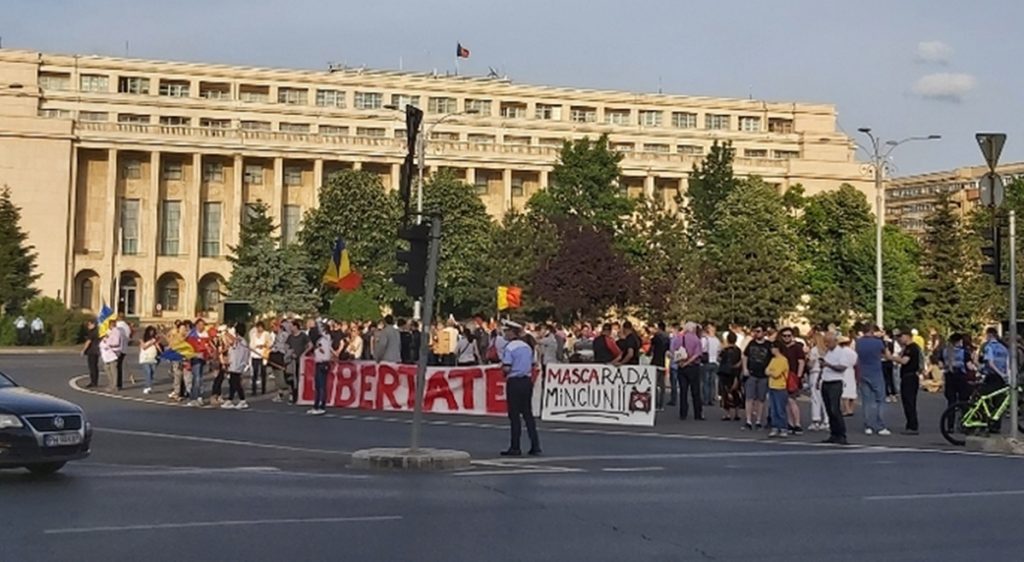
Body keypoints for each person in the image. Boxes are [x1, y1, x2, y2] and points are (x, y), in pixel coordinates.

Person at [499, 321, 540, 457]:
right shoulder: (527, 347)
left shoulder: (509, 348)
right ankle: (535, 445)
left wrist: (503, 372)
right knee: (528, 414)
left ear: (512, 333)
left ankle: (515, 447)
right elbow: (533, 363)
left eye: (507, 331)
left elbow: (507, 367)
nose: (505, 333)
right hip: (527, 381)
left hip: (515, 381)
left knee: (514, 416)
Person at [819, 333, 856, 445]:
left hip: (835, 382)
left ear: (835, 341)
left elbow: (842, 367)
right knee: (829, 409)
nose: (826, 344)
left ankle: (841, 434)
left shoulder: (841, 352)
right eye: (825, 342)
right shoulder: (828, 352)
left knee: (835, 409)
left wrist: (828, 365)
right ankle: (833, 433)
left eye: (828, 342)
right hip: (826, 381)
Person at [855, 324, 890, 436]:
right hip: (876, 372)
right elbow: (887, 355)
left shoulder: (859, 342)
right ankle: (880, 426)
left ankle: (867, 426)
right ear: (872, 331)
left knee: (866, 401)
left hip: (863, 372)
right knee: (880, 400)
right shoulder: (878, 342)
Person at [742, 326, 773, 430]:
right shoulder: (751, 343)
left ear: (764, 333)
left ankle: (759, 420)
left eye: (759, 331)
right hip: (752, 373)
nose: (757, 333)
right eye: (755, 331)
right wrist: (745, 368)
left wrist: (769, 369)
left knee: (761, 398)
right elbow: (745, 356)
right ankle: (748, 420)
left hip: (764, 375)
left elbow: (773, 358)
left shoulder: (768, 345)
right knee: (749, 397)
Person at [893, 330, 922, 434]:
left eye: (901, 336)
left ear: (907, 336)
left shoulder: (912, 347)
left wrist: (890, 357)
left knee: (910, 402)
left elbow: (904, 361)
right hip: (906, 376)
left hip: (910, 376)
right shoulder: (906, 348)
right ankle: (910, 424)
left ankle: (913, 426)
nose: (899, 339)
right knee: (906, 401)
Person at [778, 326, 806, 434]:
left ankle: (797, 423)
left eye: (789, 335)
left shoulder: (797, 348)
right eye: (784, 336)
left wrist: (799, 377)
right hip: (782, 376)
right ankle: (790, 423)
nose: (786, 338)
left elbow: (801, 362)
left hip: (793, 376)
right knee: (785, 401)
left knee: (792, 400)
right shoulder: (781, 348)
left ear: (792, 336)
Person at [221, 323, 251, 410]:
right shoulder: (242, 341)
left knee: (236, 383)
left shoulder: (240, 341)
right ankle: (230, 400)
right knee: (233, 383)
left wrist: (225, 332)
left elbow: (231, 341)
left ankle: (242, 400)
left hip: (236, 365)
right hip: (237, 364)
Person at [766, 341, 790, 438]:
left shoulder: (783, 360)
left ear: (777, 349)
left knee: (780, 409)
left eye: (773, 347)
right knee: (773, 409)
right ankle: (775, 427)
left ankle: (783, 428)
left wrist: (771, 372)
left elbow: (776, 374)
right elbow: (766, 370)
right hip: (772, 386)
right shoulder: (773, 360)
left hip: (780, 387)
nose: (771, 350)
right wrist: (771, 372)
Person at [806, 331, 829, 432]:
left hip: (815, 374)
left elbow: (810, 365)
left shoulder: (814, 350)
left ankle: (816, 420)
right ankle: (827, 420)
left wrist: (808, 360)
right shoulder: (827, 350)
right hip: (826, 374)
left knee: (815, 398)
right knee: (825, 398)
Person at [309, 321, 332, 416]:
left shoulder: (325, 338)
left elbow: (322, 349)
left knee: (321, 386)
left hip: (323, 363)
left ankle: (321, 406)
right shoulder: (323, 338)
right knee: (318, 386)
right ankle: (316, 405)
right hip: (320, 362)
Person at [717, 332, 742, 421]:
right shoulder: (738, 350)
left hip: (724, 373)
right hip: (735, 372)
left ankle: (727, 414)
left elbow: (719, 359)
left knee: (725, 392)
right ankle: (737, 413)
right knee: (736, 392)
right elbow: (740, 362)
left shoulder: (724, 350)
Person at [248, 321, 272, 395]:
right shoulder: (253, 335)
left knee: (263, 373)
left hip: (263, 355)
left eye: (261, 327)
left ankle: (263, 389)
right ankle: (254, 389)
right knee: (255, 372)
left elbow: (270, 343)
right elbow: (251, 344)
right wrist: (255, 347)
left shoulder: (266, 334)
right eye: (258, 327)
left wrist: (264, 345)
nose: (259, 329)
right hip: (255, 355)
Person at [701, 323, 721, 407]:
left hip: (707, 362)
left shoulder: (705, 339)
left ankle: (705, 399)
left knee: (705, 382)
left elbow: (702, 349)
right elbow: (719, 350)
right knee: (712, 382)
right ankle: (711, 399)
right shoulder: (717, 340)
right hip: (715, 362)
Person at [139, 326, 161, 394]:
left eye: (153, 331)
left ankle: (147, 385)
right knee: (148, 372)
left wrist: (162, 353)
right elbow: (144, 347)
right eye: (150, 331)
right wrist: (152, 342)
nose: (152, 333)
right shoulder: (142, 339)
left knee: (151, 373)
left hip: (153, 357)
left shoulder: (155, 339)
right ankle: (148, 387)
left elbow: (158, 346)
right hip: (145, 358)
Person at [99, 326, 121, 392]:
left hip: (112, 356)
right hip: (106, 357)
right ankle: (111, 384)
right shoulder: (106, 335)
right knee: (107, 369)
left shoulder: (115, 333)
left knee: (114, 371)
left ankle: (114, 386)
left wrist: (108, 343)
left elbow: (116, 343)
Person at [81, 319, 101, 388]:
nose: (88, 326)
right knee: (94, 367)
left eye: (89, 325)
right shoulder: (97, 331)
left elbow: (88, 342)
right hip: (96, 351)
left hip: (92, 351)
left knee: (92, 367)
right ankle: (95, 381)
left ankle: (93, 382)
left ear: (93, 324)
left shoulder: (92, 332)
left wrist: (83, 350)